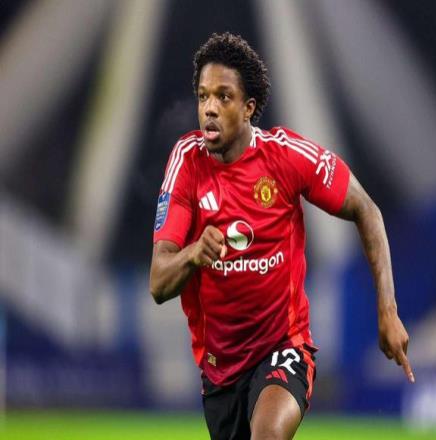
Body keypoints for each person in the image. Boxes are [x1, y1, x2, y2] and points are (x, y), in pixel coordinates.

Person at [150, 32, 414, 440]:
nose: (209, 109)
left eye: (223, 97)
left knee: (268, 434)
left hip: (284, 348)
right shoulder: (186, 164)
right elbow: (158, 282)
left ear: (249, 108)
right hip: (220, 371)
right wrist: (193, 254)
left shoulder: (287, 156)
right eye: (203, 97)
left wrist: (388, 310)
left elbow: (367, 210)